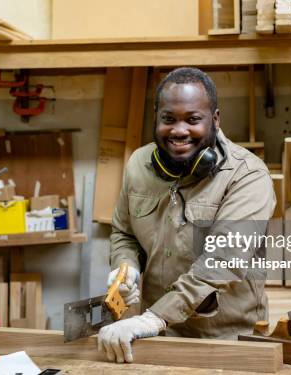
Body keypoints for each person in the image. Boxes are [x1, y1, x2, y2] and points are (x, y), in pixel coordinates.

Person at [97, 67, 276, 363]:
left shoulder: (247, 176)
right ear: (156, 117)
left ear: (215, 120)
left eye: (193, 120)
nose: (179, 130)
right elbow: (124, 233)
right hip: (155, 339)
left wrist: (153, 318)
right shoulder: (139, 165)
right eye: (169, 119)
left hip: (226, 342)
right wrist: (125, 269)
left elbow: (222, 261)